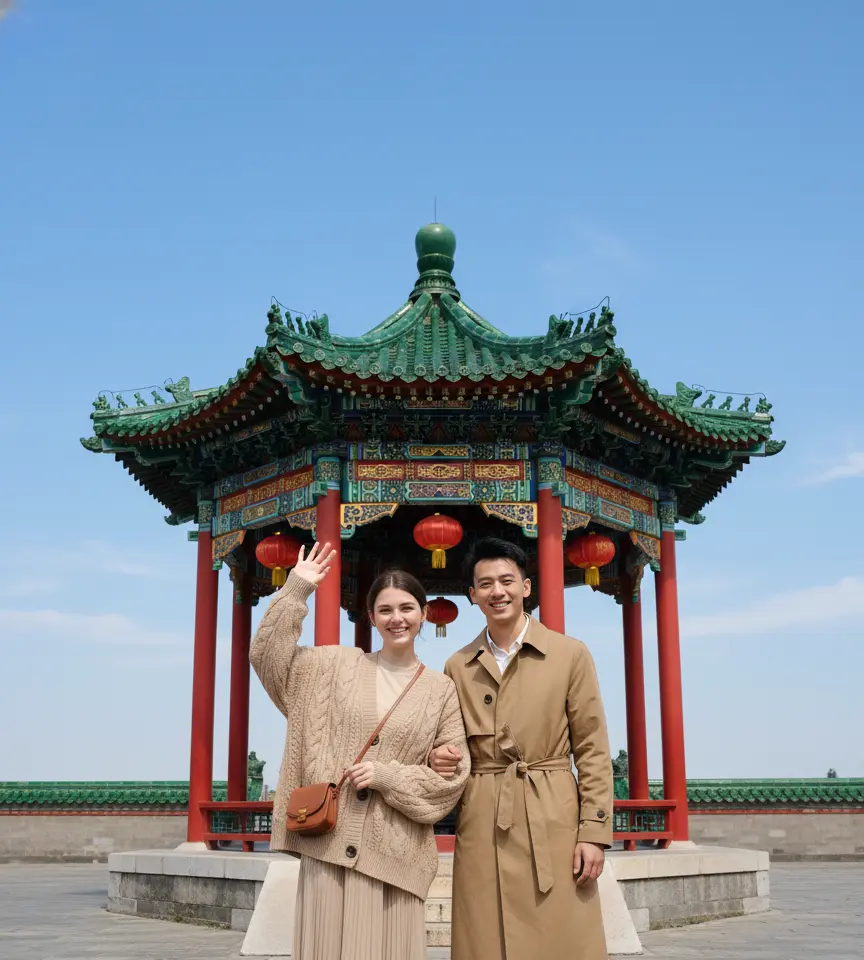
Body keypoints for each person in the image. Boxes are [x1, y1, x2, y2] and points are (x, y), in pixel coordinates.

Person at [250, 541, 469, 960]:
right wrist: (297, 590)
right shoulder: (332, 667)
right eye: (385, 610)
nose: (396, 618)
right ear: (370, 617)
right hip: (328, 850)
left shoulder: (440, 690)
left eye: (406, 608)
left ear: (423, 614)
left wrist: (387, 776)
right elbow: (267, 658)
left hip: (395, 857)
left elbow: (451, 780)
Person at [430, 536, 613, 960]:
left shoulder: (570, 654)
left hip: (552, 814)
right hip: (483, 819)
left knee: (560, 938)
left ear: (526, 587)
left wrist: (594, 833)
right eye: (486, 584)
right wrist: (436, 758)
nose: (499, 592)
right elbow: (446, 742)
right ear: (472, 595)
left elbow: (592, 749)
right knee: (484, 938)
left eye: (507, 581)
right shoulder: (457, 665)